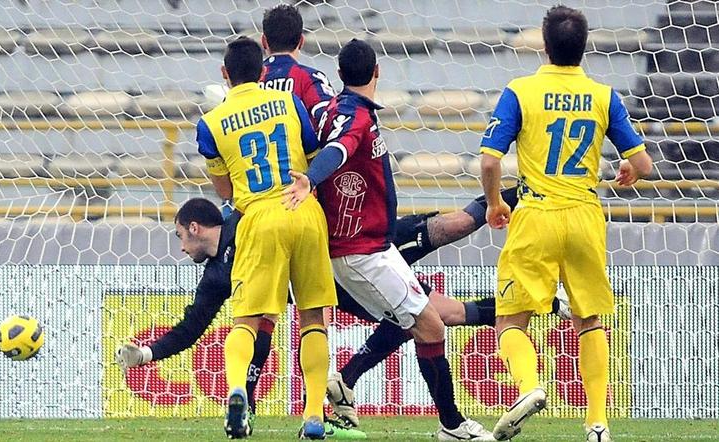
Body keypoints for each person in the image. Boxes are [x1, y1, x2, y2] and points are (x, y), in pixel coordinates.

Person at [283, 39, 494, 442]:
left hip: (376, 247)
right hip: (360, 252)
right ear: (377, 71)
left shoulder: (333, 110)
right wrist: (311, 179)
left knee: (424, 322)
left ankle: (351, 381)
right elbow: (338, 151)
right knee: (430, 326)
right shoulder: (354, 117)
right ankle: (452, 425)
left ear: (341, 75)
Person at [479, 6, 653, 442]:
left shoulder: (521, 91)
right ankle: (597, 424)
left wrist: (496, 203)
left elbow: (488, 160)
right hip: (584, 215)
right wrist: (630, 170)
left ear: (544, 42)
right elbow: (644, 164)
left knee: (510, 321)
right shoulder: (603, 94)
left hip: (535, 214)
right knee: (590, 320)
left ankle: (530, 387)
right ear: (585, 45)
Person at [198, 36, 337, 440]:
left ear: (224, 75)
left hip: (258, 217)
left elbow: (224, 192)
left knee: (246, 319)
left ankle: (238, 387)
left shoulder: (210, 123)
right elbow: (312, 156)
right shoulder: (289, 102)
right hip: (304, 209)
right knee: (312, 317)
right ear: (263, 72)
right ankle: (313, 415)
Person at [259, 4, 336, 126]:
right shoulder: (311, 78)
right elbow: (329, 120)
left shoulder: (249, 81)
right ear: (301, 41)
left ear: (263, 41)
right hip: (299, 144)